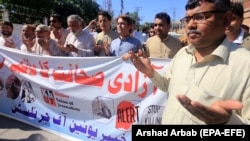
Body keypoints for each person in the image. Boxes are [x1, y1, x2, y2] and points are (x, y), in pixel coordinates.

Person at [127, 0, 250, 124]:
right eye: (187, 19)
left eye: (200, 17)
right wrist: (151, 73)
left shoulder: (246, 65)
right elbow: (167, 86)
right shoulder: (182, 54)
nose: (190, 25)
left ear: (226, 19)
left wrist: (227, 121)